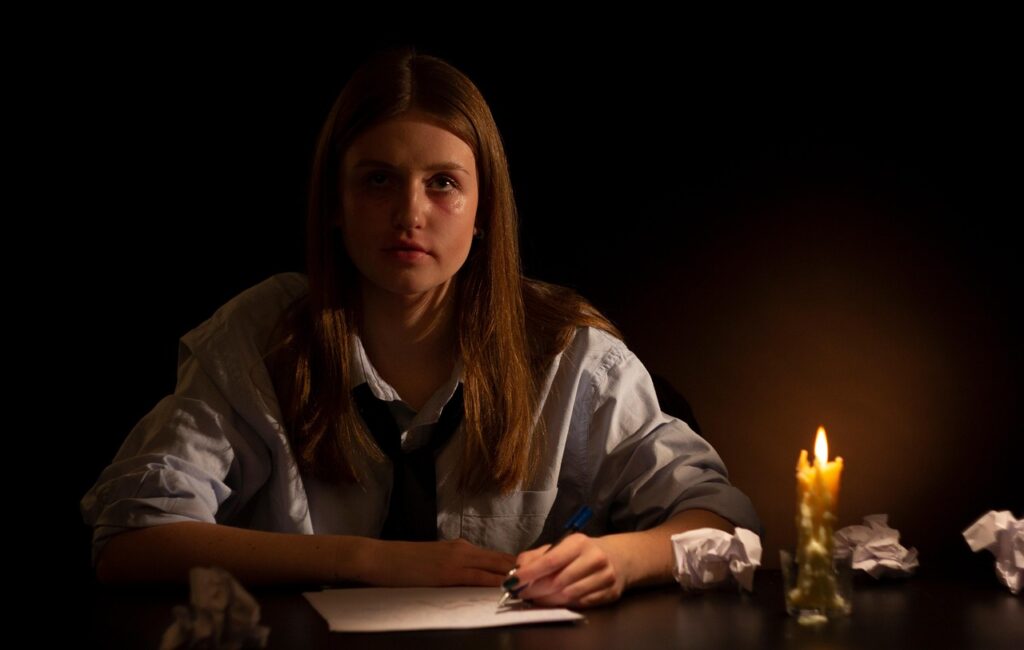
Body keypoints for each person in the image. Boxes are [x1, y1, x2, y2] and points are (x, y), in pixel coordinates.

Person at [81, 46, 759, 608]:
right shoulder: (264, 338)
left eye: (442, 183)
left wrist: (620, 558)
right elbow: (130, 539)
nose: (410, 212)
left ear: (482, 206)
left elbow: (725, 520)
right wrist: (368, 560)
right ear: (335, 204)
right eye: (379, 180)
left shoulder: (569, 354)